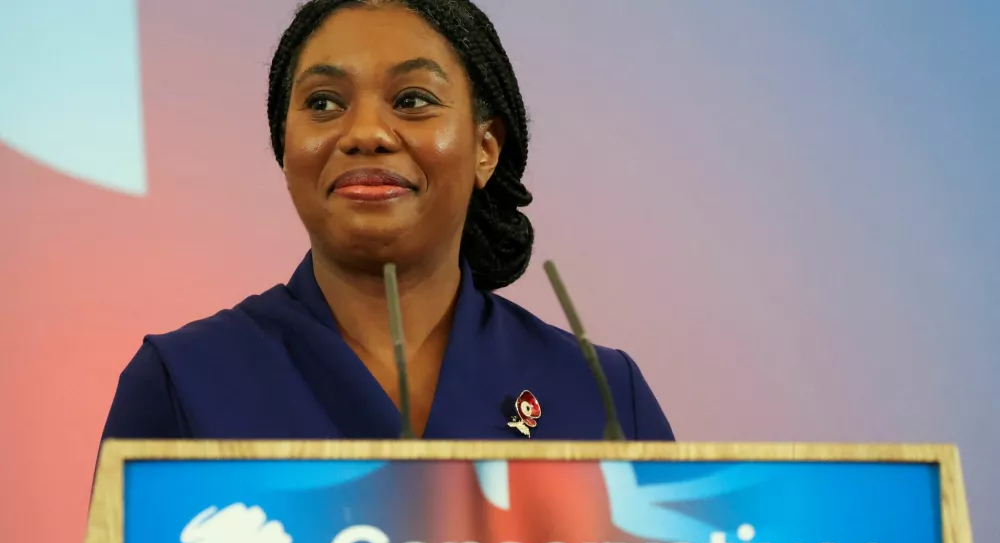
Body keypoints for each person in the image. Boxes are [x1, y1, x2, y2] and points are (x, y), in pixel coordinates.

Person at [100, 0, 675, 441]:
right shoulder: (181, 381)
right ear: (285, 145)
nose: (365, 133)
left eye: (412, 99)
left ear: (486, 148)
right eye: (323, 103)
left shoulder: (603, 393)